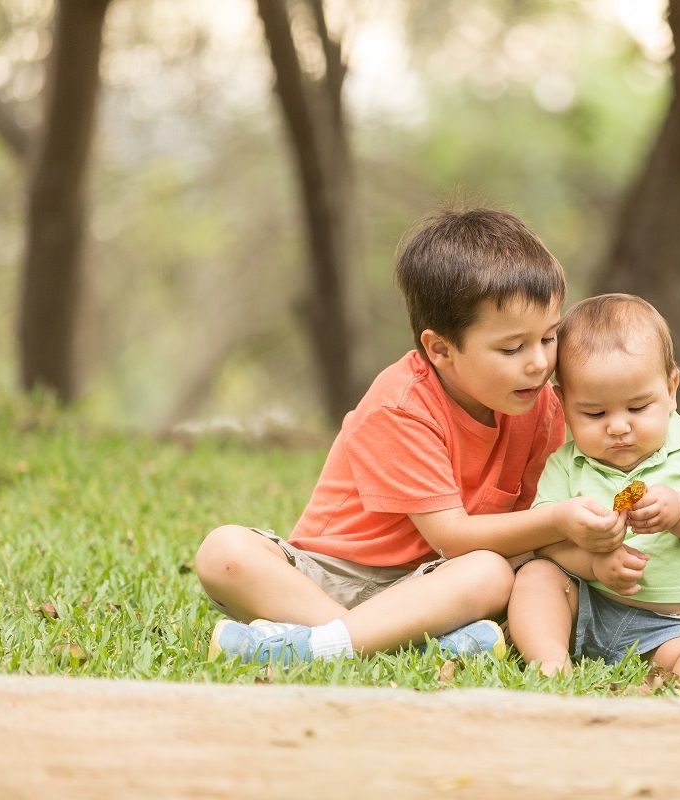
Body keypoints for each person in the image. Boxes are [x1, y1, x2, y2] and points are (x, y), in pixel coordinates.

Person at [196, 208, 628, 665]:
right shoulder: (401, 404)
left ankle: (323, 646)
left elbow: (520, 535)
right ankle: (367, 644)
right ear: (440, 349)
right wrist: (560, 521)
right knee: (224, 552)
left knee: (492, 573)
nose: (539, 363)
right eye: (511, 348)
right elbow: (452, 534)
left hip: (439, 585)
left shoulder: (540, 406)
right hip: (333, 577)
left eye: (548, 338)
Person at [507, 293, 680, 695]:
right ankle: (550, 662)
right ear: (563, 403)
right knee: (537, 578)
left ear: (671, 390)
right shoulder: (567, 465)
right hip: (587, 605)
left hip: (676, 624)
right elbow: (546, 544)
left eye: (637, 408)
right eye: (595, 414)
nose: (618, 426)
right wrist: (593, 565)